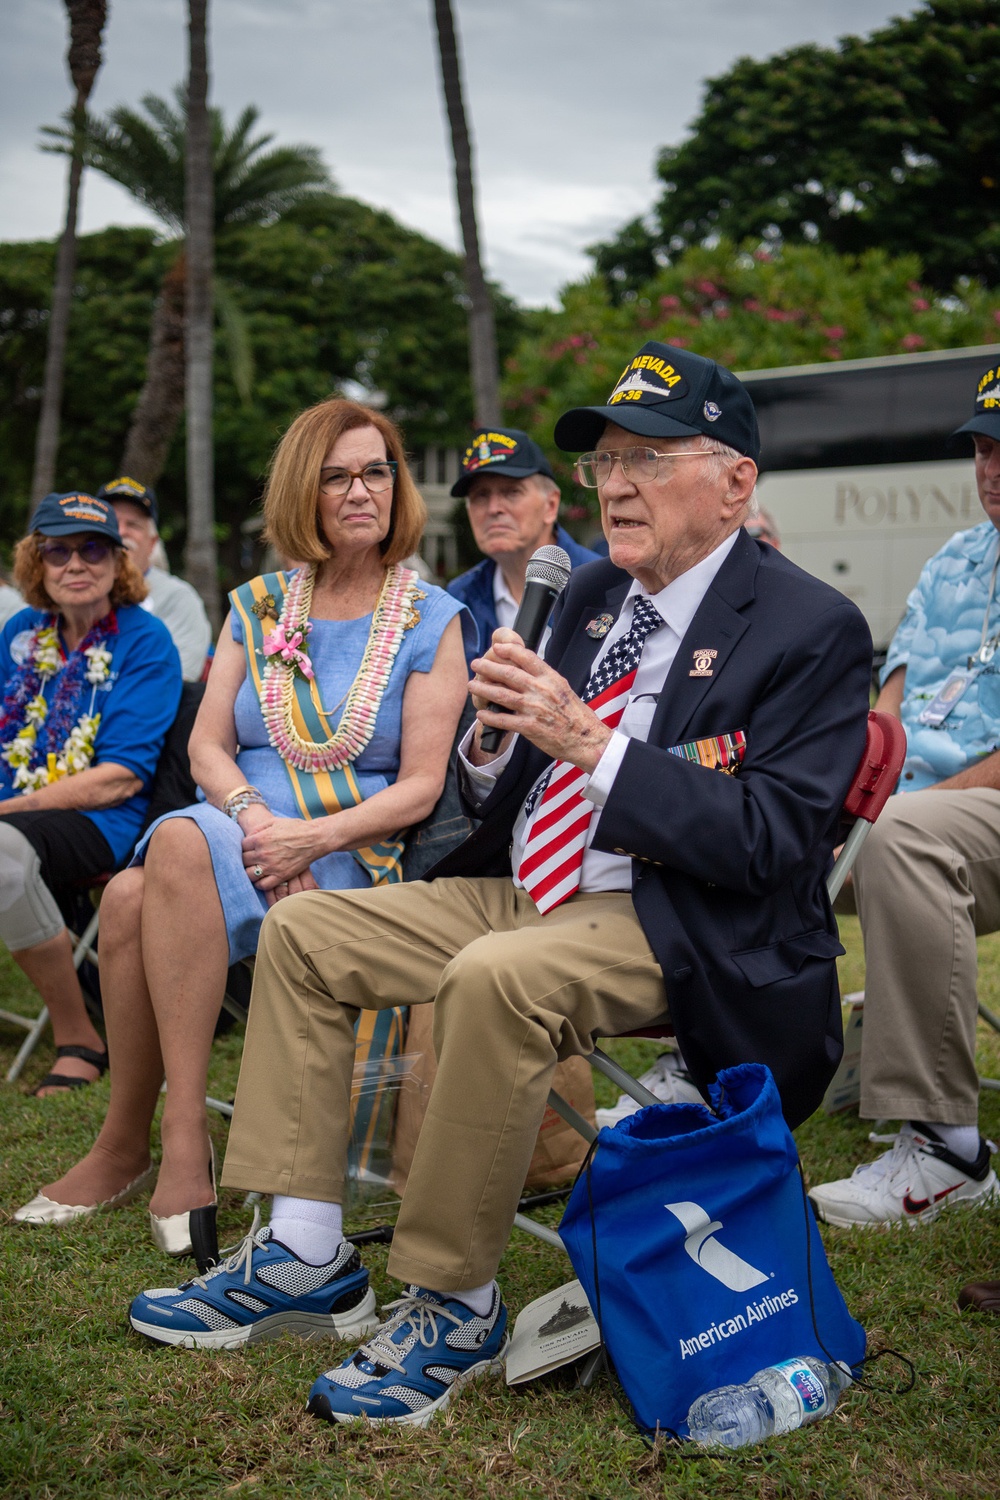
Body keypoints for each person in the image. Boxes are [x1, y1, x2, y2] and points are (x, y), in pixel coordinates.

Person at [126, 342, 871, 1426]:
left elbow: (771, 842)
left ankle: (453, 1298)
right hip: (533, 886)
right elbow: (507, 780)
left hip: (678, 915)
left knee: (492, 977)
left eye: (650, 459)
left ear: (735, 480)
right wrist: (489, 750)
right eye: (605, 460)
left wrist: (589, 745)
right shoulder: (594, 594)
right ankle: (306, 1253)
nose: (614, 484)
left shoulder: (810, 625)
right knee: (308, 934)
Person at [14, 401, 470, 1266]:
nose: (361, 490)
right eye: (336, 476)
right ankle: (177, 1127)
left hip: (352, 852)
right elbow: (207, 746)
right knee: (158, 864)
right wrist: (262, 824)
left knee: (131, 890)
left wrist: (312, 839)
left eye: (376, 471)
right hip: (240, 824)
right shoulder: (256, 605)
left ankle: (140, 1141)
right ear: (304, 490)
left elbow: (421, 785)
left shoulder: (431, 618)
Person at [809, 362, 1000, 1227]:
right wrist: (857, 784)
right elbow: (894, 697)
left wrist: (895, 812)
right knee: (750, 817)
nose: (991, 467)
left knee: (901, 838)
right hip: (911, 806)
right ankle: (723, 1079)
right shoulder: (956, 556)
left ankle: (948, 1151)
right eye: (983, 449)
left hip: (963, 810)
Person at [0, 493, 181, 1095]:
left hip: (105, 820)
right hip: (20, 804)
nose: (75, 563)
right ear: (37, 562)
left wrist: (8, 809)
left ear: (118, 561)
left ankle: (80, 1036)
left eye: (93, 548)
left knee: (2, 852)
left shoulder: (144, 638)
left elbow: (122, 776)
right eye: (57, 549)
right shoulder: (23, 633)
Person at [447, 426, 599, 667]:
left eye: (511, 492)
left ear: (551, 506)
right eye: (480, 496)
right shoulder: (459, 597)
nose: (494, 508)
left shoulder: (605, 584)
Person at [95, 477, 212, 681]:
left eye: (133, 525)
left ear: (152, 543)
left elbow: (179, 678)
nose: (121, 532)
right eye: (112, 523)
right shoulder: (74, 592)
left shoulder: (178, 597)